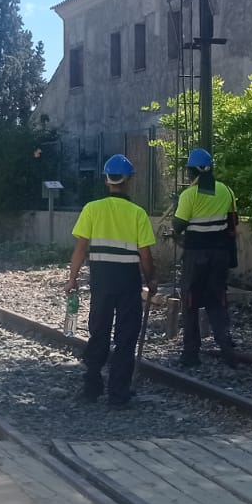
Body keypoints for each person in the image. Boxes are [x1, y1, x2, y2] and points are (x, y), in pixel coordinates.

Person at [64, 154, 155, 408]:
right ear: (128, 182)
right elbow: (145, 254)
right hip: (128, 281)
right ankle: (118, 395)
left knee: (99, 332)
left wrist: (72, 279)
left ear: (107, 180)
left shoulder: (92, 209)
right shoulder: (138, 213)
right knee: (126, 337)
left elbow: (80, 249)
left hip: (101, 280)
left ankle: (91, 387)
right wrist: (152, 280)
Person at [172, 147, 239, 369]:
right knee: (217, 300)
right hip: (219, 256)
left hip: (195, 256)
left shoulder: (189, 195)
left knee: (190, 302)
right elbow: (233, 223)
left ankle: (191, 354)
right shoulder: (227, 191)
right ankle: (228, 350)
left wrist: (177, 207)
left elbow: (178, 226)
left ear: (193, 172)